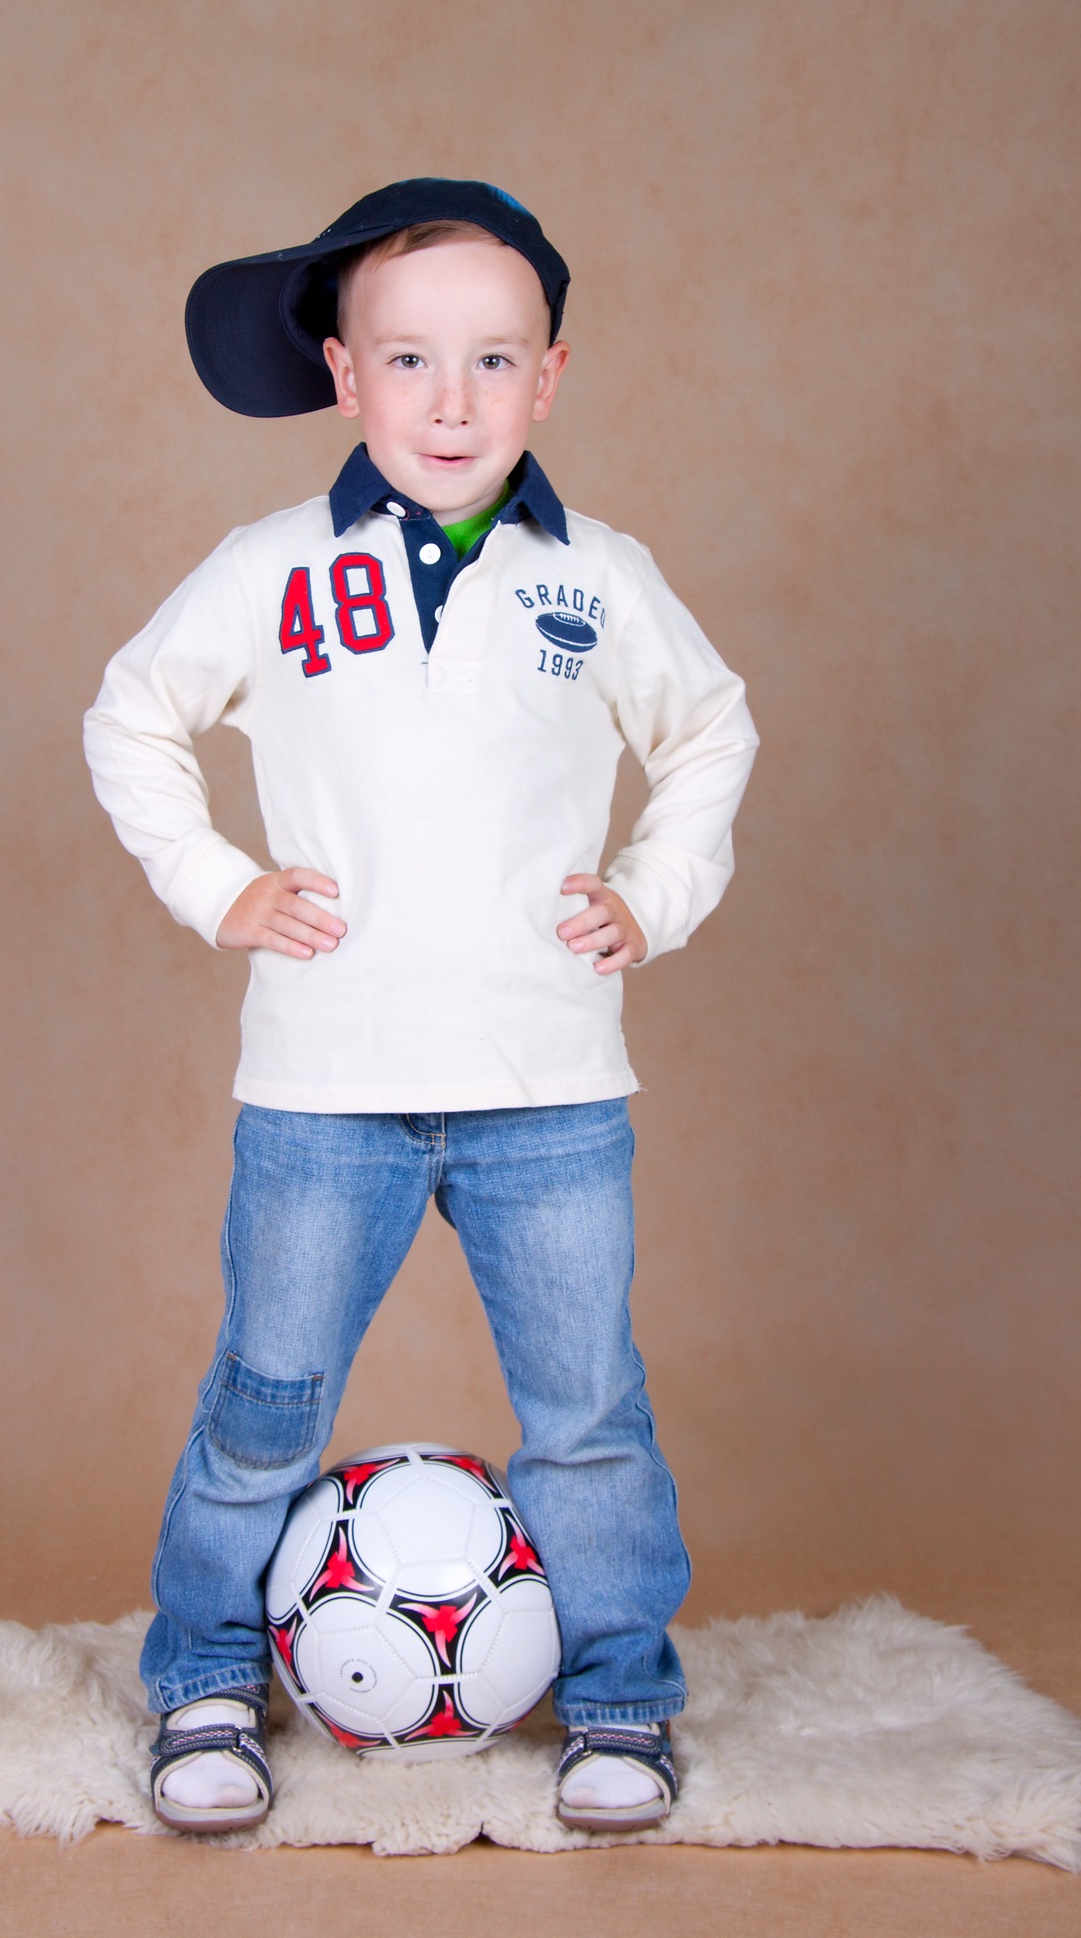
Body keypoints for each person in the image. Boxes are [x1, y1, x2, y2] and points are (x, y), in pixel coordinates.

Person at [83, 179, 759, 1835]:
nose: (449, 402)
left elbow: (709, 730)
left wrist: (652, 893)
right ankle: (204, 1681)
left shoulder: (599, 575)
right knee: (265, 1405)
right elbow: (131, 715)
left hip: (549, 1084)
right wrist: (221, 884)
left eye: (491, 361)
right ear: (341, 375)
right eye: (406, 360)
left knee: (586, 1418)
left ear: (550, 379)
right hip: (326, 1086)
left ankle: (618, 1700)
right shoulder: (272, 569)